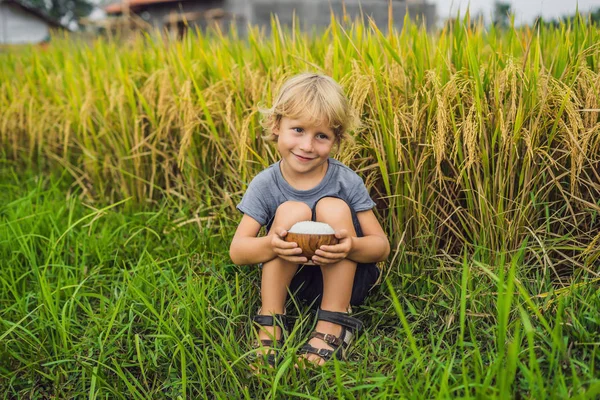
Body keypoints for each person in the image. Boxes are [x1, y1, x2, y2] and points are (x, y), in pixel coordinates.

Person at [229, 73, 390, 367]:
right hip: (292, 282)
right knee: (291, 212)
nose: (307, 145)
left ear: (336, 140)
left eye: (321, 136)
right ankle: (270, 320)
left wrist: (350, 246)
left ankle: (333, 323)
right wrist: (273, 244)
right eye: (298, 129)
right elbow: (238, 251)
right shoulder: (266, 184)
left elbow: (381, 246)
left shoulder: (345, 181)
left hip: (346, 279)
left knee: (333, 208)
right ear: (277, 126)